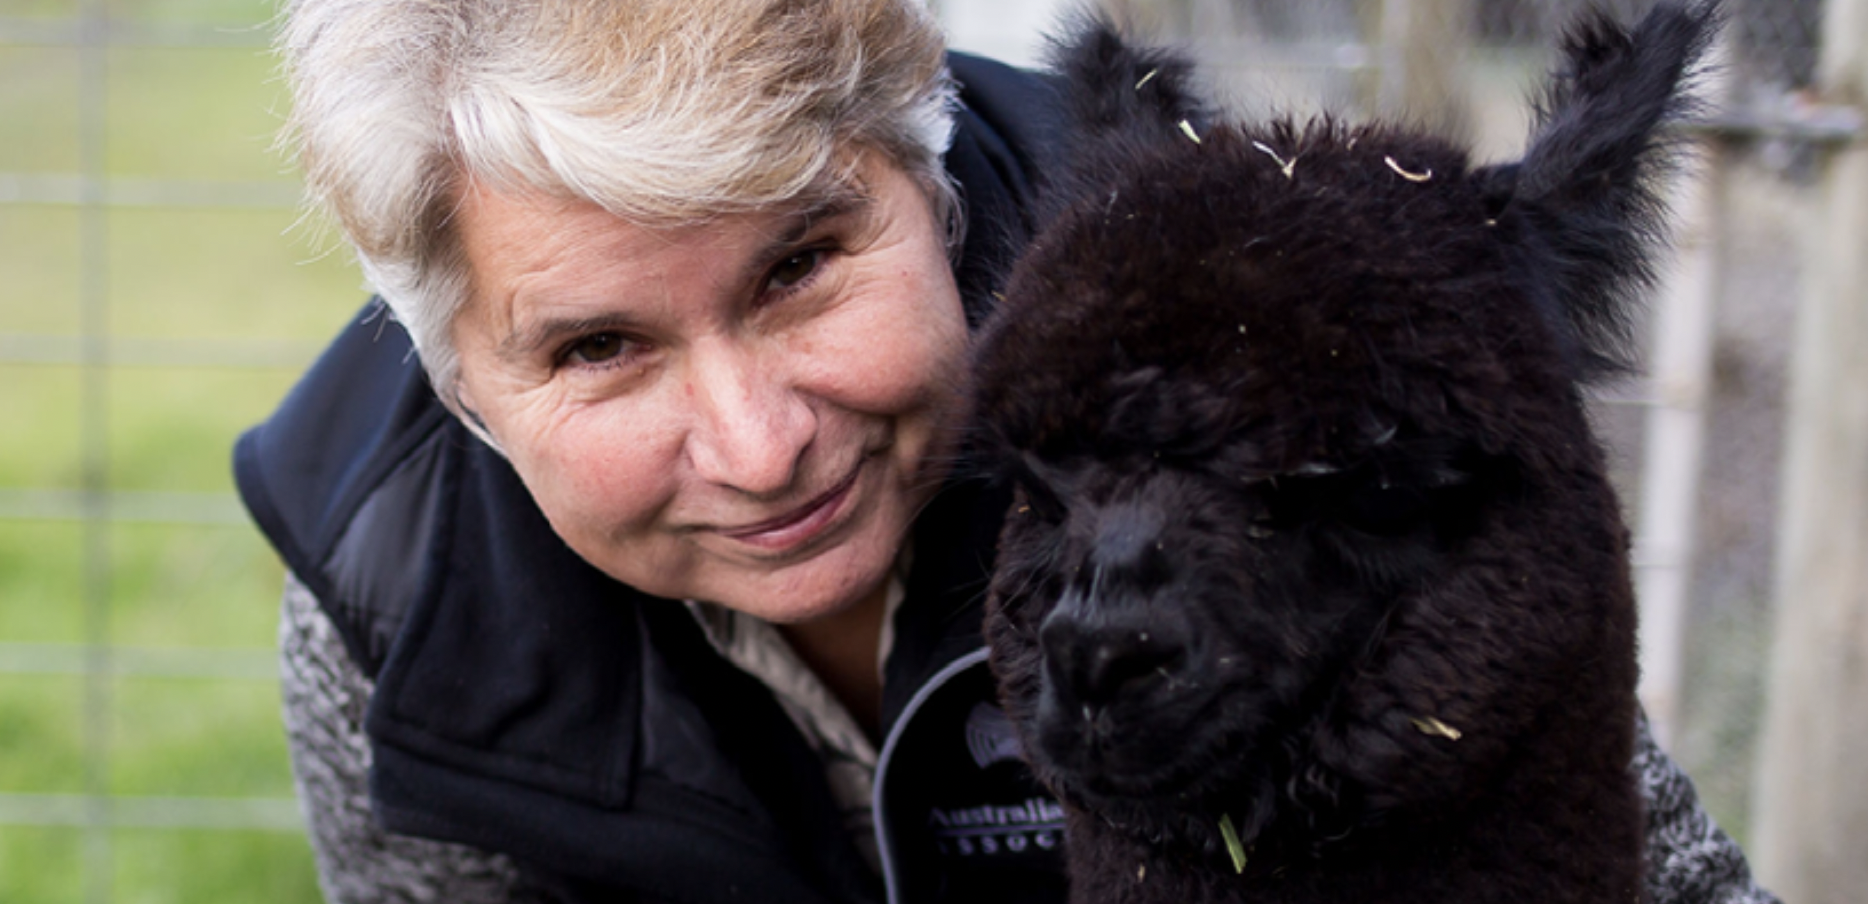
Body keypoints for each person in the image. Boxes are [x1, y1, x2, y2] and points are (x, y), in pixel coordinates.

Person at [238, 2, 1780, 902]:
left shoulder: (1270, 371)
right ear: (457, 378)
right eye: (598, 348)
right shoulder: (393, 595)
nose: (760, 445)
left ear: (932, 169)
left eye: (800, 268)